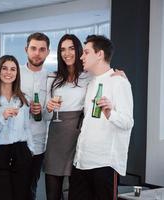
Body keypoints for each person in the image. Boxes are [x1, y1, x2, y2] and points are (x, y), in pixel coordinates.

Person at [68, 35, 134, 200]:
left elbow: (128, 122)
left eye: (86, 52)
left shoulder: (120, 82)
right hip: (81, 162)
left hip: (104, 165)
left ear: (100, 54)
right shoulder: (91, 83)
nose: (81, 57)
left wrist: (110, 113)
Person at [0, 55, 33, 200]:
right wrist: (2, 118)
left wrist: (31, 150)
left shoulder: (24, 99)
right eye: (4, 68)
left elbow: (27, 128)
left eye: (13, 69)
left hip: (21, 151)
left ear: (17, 73)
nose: (8, 72)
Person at [43, 34, 89, 200]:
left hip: (78, 135)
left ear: (78, 50)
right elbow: (45, 116)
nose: (66, 53)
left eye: (71, 48)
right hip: (56, 136)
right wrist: (48, 107)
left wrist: (118, 75)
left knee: (75, 191)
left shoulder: (88, 76)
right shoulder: (52, 77)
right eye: (62, 49)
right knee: (52, 192)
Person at [20, 32, 51, 200]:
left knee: (30, 188)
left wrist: (43, 111)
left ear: (47, 52)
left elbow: (49, 116)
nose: (37, 53)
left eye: (41, 49)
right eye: (33, 48)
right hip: (16, 141)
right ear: (26, 49)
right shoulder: (14, 73)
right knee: (13, 187)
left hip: (38, 143)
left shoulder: (52, 78)